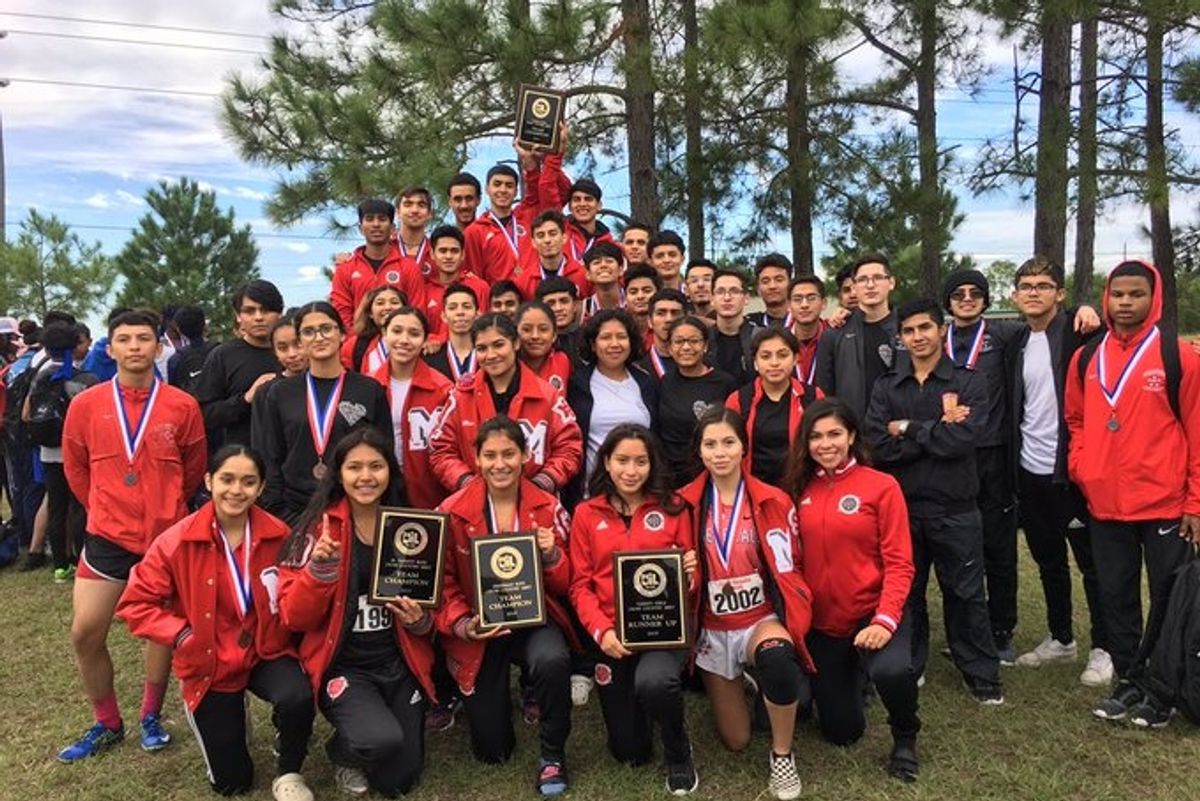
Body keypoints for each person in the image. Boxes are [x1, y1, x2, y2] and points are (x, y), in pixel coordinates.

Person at [116, 446, 316, 801]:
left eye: (248, 482)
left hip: (264, 650)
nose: (236, 490)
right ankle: (229, 718)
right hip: (209, 659)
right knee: (232, 784)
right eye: (226, 479)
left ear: (261, 488)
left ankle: (289, 769)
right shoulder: (176, 541)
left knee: (297, 694)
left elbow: (297, 592)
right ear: (208, 481)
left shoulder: (278, 534)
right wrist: (180, 634)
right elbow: (135, 603)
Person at [59, 309, 208, 761]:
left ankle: (150, 716)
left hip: (165, 539)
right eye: (125, 339)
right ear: (112, 346)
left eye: (144, 338)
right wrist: (105, 506)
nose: (136, 347)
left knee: (159, 633)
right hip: (107, 536)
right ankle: (106, 721)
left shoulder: (183, 405)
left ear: (158, 346)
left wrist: (166, 509)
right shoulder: (86, 404)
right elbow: (75, 467)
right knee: (86, 632)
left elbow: (194, 469)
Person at [1066, 261, 1200, 726]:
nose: (1125, 303)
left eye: (1135, 294)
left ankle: (1164, 691)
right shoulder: (1087, 357)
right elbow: (1076, 420)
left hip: (1164, 503)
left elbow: (1198, 432)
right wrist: (1083, 467)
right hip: (1105, 503)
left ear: (1154, 298)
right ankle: (1130, 680)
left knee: (1167, 597)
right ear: (1106, 298)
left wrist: (1195, 502)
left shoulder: (1177, 356)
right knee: (1115, 595)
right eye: (1118, 294)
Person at [277, 428, 437, 797]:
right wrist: (319, 572)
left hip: (399, 663)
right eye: (355, 467)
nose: (366, 476)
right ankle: (343, 752)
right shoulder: (318, 529)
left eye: (376, 466)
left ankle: (366, 735)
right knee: (379, 741)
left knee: (398, 781)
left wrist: (420, 620)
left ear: (390, 472)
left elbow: (435, 605)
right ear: (339, 474)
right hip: (346, 667)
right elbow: (294, 617)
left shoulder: (413, 526)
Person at [865, 298, 1004, 704]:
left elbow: (965, 439)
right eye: (908, 331)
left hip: (955, 507)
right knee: (908, 592)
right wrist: (934, 433)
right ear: (901, 338)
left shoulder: (967, 382)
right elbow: (878, 446)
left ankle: (980, 670)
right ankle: (910, 662)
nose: (917, 337)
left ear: (941, 329)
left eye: (924, 328)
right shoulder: (887, 386)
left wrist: (908, 429)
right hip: (903, 509)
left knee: (964, 592)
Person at [435, 417, 575, 796]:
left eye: (509, 454)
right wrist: (464, 623)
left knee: (552, 660)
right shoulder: (451, 510)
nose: (501, 464)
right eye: (490, 455)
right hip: (482, 627)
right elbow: (442, 582)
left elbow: (567, 584)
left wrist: (551, 557)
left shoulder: (549, 507)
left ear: (526, 456)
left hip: (535, 619)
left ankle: (552, 754)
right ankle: (482, 701)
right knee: (493, 752)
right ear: (475, 459)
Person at [679, 407, 813, 801]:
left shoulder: (773, 500)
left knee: (776, 657)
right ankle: (748, 682)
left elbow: (793, 565)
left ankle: (782, 755)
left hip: (759, 619)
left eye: (728, 442)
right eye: (710, 444)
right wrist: (683, 569)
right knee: (736, 739)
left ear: (743, 448)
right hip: (712, 626)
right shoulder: (681, 504)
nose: (720, 452)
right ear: (699, 452)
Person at [790, 399, 919, 782]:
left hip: (873, 610)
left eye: (834, 434)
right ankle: (851, 682)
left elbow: (900, 563)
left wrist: (884, 618)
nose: (825, 444)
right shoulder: (799, 489)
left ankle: (906, 735)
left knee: (893, 670)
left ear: (851, 437)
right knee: (841, 734)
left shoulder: (881, 486)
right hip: (825, 623)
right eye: (815, 436)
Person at [568, 424, 699, 793]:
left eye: (640, 461)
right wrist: (601, 632)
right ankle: (643, 710)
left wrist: (690, 575)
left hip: (663, 631)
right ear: (606, 462)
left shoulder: (673, 508)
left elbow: (690, 577)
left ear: (652, 464)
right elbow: (580, 585)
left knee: (654, 682)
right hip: (612, 635)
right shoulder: (585, 514)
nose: (631, 470)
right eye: (622, 460)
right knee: (630, 751)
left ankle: (678, 749)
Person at [1007, 256, 1111, 683]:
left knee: (1091, 562)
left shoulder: (1081, 334)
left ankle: (1105, 646)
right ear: (1014, 296)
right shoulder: (1013, 340)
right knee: (1047, 558)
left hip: (1073, 471)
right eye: (1026, 286)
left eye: (1043, 285)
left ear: (1060, 294)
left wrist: (1092, 312)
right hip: (1030, 471)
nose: (1034, 292)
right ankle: (1061, 638)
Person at [252, 302, 392, 524]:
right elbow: (270, 457)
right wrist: (280, 512)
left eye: (326, 328)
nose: (319, 337)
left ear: (343, 334)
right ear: (300, 341)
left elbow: (385, 455)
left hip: (355, 509)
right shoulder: (280, 393)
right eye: (308, 332)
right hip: (295, 511)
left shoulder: (369, 389)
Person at [430, 314, 581, 496]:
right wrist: (467, 483)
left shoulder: (547, 396)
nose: (491, 355)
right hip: (475, 506)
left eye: (498, 345)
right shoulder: (460, 397)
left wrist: (543, 483)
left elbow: (570, 448)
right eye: (482, 348)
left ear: (516, 344)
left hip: (536, 505)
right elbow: (440, 450)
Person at [23, 322, 96, 582]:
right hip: (77, 452)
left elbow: (26, 414)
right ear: (74, 346)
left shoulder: (39, 376)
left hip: (48, 452)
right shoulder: (82, 380)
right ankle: (81, 559)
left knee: (56, 507)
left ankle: (60, 566)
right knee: (79, 507)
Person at [565, 310, 658, 506]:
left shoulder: (646, 382)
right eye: (606, 337)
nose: (614, 344)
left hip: (640, 491)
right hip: (593, 494)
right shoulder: (577, 383)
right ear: (593, 344)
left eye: (621, 337)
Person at [369, 307, 454, 510]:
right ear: (384, 334)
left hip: (429, 495)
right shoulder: (367, 385)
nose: (404, 340)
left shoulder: (444, 389)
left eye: (414, 334)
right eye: (397, 331)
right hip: (377, 491)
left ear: (425, 340)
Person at [195, 281, 285, 451]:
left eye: (265, 310)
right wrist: (245, 399)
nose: (258, 317)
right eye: (249, 311)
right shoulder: (222, 356)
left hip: (289, 461)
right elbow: (204, 415)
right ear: (238, 316)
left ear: (280, 313)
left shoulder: (298, 355)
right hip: (242, 461)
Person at [725, 328, 819, 487]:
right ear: (755, 361)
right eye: (765, 356)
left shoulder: (812, 396)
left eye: (782, 355)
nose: (774, 363)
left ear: (796, 358)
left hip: (802, 486)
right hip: (753, 489)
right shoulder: (739, 400)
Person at [815, 254, 902, 422]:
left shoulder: (908, 329)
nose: (870, 285)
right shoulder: (834, 334)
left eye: (878, 278)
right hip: (853, 433)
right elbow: (825, 394)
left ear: (891, 283)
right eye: (862, 279)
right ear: (854, 287)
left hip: (899, 434)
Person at [658, 317, 738, 488]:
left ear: (705, 345)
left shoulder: (725, 383)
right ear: (669, 348)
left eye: (694, 341)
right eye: (679, 341)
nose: (686, 347)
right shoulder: (664, 382)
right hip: (670, 478)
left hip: (711, 474)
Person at [329, 198, 424, 331]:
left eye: (382, 219)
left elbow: (417, 310)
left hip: (399, 343)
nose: (376, 224)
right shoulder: (345, 269)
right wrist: (355, 343)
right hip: (358, 344)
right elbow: (341, 313)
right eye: (369, 219)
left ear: (392, 228)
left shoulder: (409, 267)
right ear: (361, 228)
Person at [416, 225, 489, 342]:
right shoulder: (424, 290)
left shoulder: (480, 287)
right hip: (432, 356)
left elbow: (485, 328)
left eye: (454, 251)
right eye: (443, 251)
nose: (448, 256)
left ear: (463, 255)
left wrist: (441, 338)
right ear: (432, 255)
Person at [516, 211, 590, 301]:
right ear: (533, 242)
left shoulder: (583, 276)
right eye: (540, 235)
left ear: (564, 238)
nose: (547, 240)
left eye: (552, 234)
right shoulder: (523, 282)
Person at [340, 285, 406, 374]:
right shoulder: (354, 346)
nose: (387, 307)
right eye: (380, 303)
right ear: (370, 313)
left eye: (394, 302)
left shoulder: (420, 342)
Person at [424, 283, 482, 382]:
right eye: (452, 307)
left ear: (477, 314)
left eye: (467, 307)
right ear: (444, 316)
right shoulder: (430, 359)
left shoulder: (487, 356)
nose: (460, 312)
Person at [711, 269, 759, 386]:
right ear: (712, 299)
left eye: (734, 291)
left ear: (746, 298)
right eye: (720, 291)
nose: (727, 298)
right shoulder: (703, 339)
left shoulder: (760, 338)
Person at [517, 301, 572, 393]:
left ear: (554, 335)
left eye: (543, 329)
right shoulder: (509, 366)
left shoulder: (562, 360)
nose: (535, 336)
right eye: (527, 329)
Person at [562, 177, 616, 263]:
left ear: (599, 205)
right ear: (569, 207)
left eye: (588, 199)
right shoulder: (559, 233)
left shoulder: (608, 243)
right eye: (577, 199)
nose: (582, 204)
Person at [787, 276, 827, 386]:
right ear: (789, 306)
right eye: (797, 299)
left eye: (811, 298)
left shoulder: (835, 338)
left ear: (824, 303)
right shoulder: (780, 340)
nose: (804, 305)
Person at [639, 289, 686, 380]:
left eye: (675, 313)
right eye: (661, 313)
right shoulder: (639, 369)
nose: (669, 319)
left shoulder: (702, 366)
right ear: (649, 321)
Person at [166, 305, 214, 393]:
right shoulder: (221, 351)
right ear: (204, 325)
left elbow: (173, 391)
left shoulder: (175, 360)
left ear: (179, 329)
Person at [535, 277, 583, 362]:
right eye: (551, 303)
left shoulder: (589, 340)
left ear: (575, 305)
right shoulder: (534, 344)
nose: (558, 308)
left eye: (564, 301)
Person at [394, 185, 435, 276]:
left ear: (430, 214)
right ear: (398, 212)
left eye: (421, 205)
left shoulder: (436, 251)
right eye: (408, 204)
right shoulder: (386, 249)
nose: (415, 210)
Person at [581, 242, 626, 321]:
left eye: (609, 261)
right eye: (597, 262)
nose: (603, 266)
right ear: (588, 274)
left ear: (621, 270)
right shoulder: (582, 309)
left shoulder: (632, 302)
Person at [746, 255, 793, 329]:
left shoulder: (802, 323)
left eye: (779, 280)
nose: (772, 286)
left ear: (790, 285)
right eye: (765, 281)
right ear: (758, 289)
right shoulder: (750, 326)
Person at [623, 264, 662, 344]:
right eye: (633, 292)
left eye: (647, 291)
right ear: (625, 297)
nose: (640, 296)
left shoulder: (667, 326)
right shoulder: (619, 327)